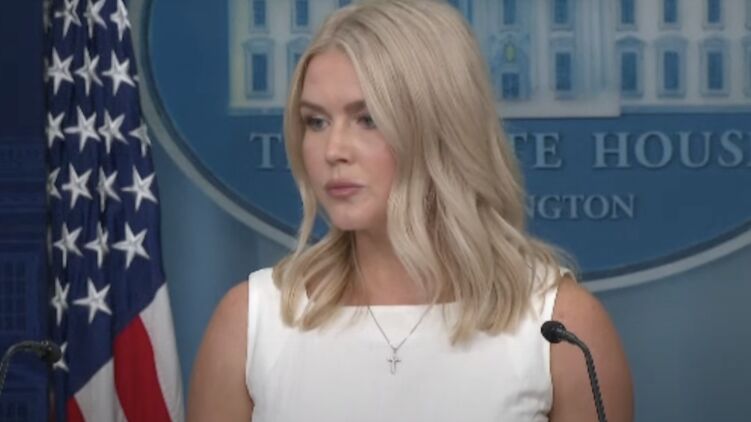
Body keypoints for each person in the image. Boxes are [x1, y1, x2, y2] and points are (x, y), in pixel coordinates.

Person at [187, 0, 633, 421]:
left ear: (442, 128)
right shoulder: (251, 322)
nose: (333, 149)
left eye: (367, 119)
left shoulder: (560, 326)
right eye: (316, 121)